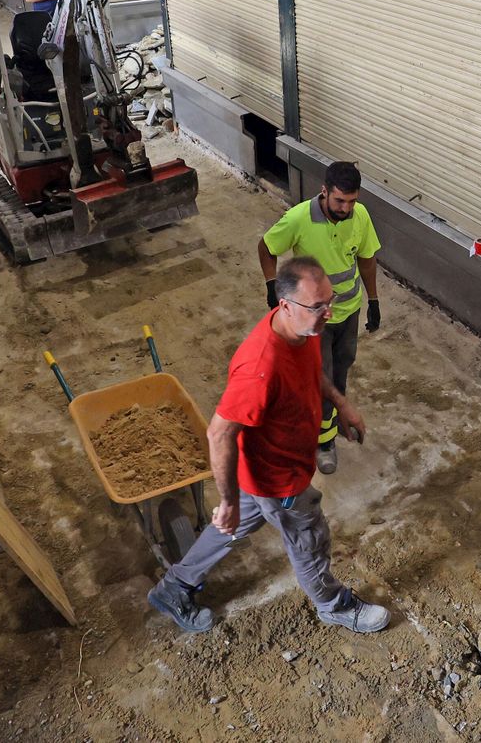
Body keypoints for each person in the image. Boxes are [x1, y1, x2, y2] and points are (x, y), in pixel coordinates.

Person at [147, 257, 389, 635]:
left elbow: (312, 371)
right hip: (278, 479)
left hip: (260, 470)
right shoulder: (260, 367)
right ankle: (333, 605)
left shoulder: (303, 328)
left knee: (231, 528)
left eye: (330, 301)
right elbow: (219, 433)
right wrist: (227, 501)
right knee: (309, 538)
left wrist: (340, 403)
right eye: (318, 306)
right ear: (286, 305)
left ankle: (174, 586)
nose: (328, 313)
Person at [257, 162, 381, 476]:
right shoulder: (299, 218)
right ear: (324, 191)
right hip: (315, 320)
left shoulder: (360, 215)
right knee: (319, 377)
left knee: (341, 370)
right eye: (340, 200)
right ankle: (323, 443)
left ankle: (334, 418)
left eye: (352, 201)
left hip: (349, 312)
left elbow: (366, 260)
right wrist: (272, 285)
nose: (346, 208)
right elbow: (266, 247)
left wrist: (373, 300)